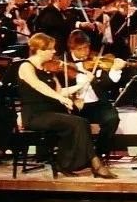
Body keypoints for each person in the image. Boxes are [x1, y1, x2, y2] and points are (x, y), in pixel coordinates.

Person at [17, 33, 117, 178]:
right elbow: (38, 85)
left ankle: (65, 163)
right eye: (51, 49)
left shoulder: (47, 68)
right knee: (78, 122)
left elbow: (61, 91)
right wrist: (60, 98)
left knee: (82, 122)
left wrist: (82, 84)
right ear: (40, 50)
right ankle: (95, 164)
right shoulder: (26, 66)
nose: (54, 51)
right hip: (35, 114)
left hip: (51, 112)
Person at [65, 30, 123, 160]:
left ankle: (99, 152)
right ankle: (81, 154)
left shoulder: (95, 60)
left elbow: (107, 84)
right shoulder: (64, 63)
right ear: (72, 49)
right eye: (80, 49)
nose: (85, 52)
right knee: (79, 124)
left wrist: (114, 70)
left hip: (97, 104)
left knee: (112, 118)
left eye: (87, 47)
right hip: (75, 106)